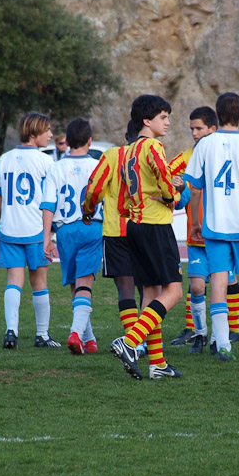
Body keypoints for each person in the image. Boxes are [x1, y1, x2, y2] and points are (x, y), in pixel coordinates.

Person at [184, 92, 239, 360]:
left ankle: (222, 345)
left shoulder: (204, 146)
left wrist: (196, 222)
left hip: (215, 225)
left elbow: (195, 190)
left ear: (217, 116)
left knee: (219, 282)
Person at [111, 95, 185, 380]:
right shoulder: (153, 146)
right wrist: (173, 193)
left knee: (152, 293)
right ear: (147, 120)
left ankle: (158, 364)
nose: (168, 122)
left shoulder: (128, 150)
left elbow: (128, 194)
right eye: (163, 117)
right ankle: (130, 342)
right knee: (174, 291)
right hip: (156, 226)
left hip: (135, 224)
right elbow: (167, 187)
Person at [169, 107, 239, 353]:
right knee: (198, 286)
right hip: (197, 236)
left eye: (199, 128)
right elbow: (168, 183)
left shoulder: (227, 155)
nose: (194, 133)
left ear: (213, 129)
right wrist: (176, 189)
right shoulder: (184, 158)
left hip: (223, 234)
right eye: (191, 129)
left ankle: (229, 332)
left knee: (227, 283)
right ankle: (199, 332)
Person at [0, 112, 58, 349]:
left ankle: (11, 332)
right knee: (39, 283)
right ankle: (42, 335)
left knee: (13, 281)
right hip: (36, 230)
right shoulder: (46, 162)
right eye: (46, 130)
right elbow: (51, 200)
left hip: (9, 230)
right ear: (33, 133)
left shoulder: (5, 159)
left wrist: (8, 214)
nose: (50, 135)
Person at [42, 117, 102, 355]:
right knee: (85, 283)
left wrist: (47, 238)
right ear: (90, 140)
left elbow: (48, 204)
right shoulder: (97, 166)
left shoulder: (55, 167)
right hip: (91, 227)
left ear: (66, 142)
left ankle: (89, 339)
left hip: (65, 231)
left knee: (75, 285)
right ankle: (76, 333)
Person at [83, 121, 141, 349]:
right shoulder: (153, 153)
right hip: (146, 228)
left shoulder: (112, 155)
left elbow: (94, 189)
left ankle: (133, 343)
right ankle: (145, 340)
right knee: (148, 288)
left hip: (117, 231)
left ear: (126, 135)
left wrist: (87, 209)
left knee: (125, 288)